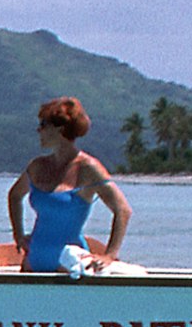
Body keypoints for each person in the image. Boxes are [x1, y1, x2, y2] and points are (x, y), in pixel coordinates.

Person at [7, 95, 133, 273]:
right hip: (33, 261)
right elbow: (14, 196)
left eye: (43, 125)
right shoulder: (37, 166)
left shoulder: (88, 168)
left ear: (60, 129)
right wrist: (18, 235)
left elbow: (123, 210)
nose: (38, 130)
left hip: (69, 265)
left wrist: (109, 255)